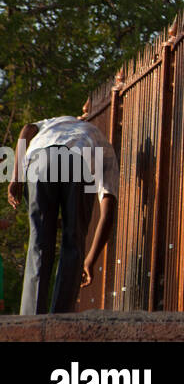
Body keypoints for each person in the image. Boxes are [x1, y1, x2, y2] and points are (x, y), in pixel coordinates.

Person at [7, 114, 119, 314]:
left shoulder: (54, 122)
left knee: (39, 242)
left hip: (40, 159)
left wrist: (16, 176)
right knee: (73, 241)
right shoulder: (103, 144)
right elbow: (108, 211)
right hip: (80, 162)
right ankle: (60, 319)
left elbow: (26, 129)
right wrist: (89, 260)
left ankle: (30, 319)